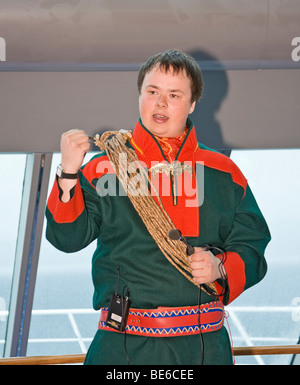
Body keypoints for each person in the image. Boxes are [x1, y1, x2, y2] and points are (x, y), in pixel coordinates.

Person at [45, 49, 271, 365]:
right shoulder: (103, 168)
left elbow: (253, 248)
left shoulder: (223, 173)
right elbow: (66, 240)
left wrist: (220, 266)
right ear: (140, 96)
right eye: (153, 92)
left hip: (202, 348)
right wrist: (68, 171)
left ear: (192, 104)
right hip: (120, 346)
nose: (161, 103)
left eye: (174, 95)